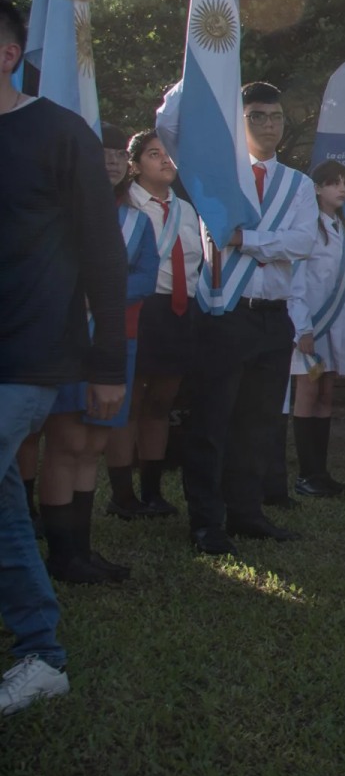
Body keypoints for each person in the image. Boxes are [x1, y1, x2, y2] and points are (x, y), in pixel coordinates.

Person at [0, 0, 126, 711]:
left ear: (10, 54)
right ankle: (41, 651)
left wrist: (108, 361)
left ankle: (40, 648)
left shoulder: (60, 134)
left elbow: (103, 253)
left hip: (30, 355)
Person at [171, 81, 318, 552]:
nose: (269, 125)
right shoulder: (217, 173)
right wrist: (196, 73)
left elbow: (303, 243)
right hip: (223, 313)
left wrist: (247, 241)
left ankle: (246, 513)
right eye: (257, 116)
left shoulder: (298, 183)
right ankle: (206, 522)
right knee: (211, 422)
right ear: (240, 120)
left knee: (257, 424)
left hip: (273, 319)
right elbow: (169, 127)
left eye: (275, 117)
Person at [38, 126, 157, 582]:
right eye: (99, 155)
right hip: (70, 336)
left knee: (93, 444)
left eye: (114, 156)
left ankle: (81, 553)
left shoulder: (137, 221)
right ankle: (62, 555)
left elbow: (147, 277)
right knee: (66, 443)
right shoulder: (59, 214)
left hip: (116, 338)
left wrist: (103, 292)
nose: (108, 163)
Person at [109, 130, 202, 517]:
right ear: (134, 165)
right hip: (139, 310)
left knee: (162, 402)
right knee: (130, 404)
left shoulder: (187, 209)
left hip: (179, 313)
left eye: (168, 154)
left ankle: (152, 490)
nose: (165, 161)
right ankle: (122, 494)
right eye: (153, 154)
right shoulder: (123, 206)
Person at [288, 161, 345, 499]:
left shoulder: (342, 228)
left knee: (327, 395)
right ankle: (306, 475)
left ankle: (321, 471)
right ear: (316, 188)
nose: (341, 189)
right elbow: (297, 280)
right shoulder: (307, 226)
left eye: (344, 182)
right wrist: (302, 327)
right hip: (312, 326)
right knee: (308, 393)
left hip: (337, 325)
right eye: (333, 183)